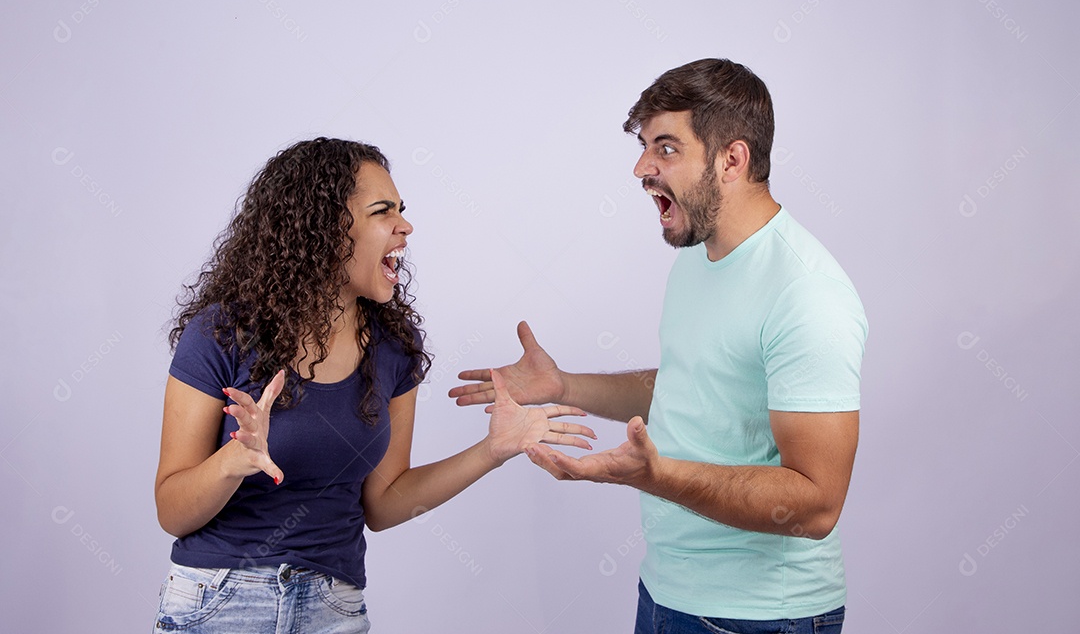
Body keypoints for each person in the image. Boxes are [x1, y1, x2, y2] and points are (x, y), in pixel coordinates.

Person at [450, 59, 868, 633]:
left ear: (732, 160)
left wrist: (655, 476)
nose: (642, 168)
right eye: (646, 147)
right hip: (666, 592)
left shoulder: (807, 293)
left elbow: (818, 503)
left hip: (760, 617)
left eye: (665, 149)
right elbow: (687, 386)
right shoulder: (699, 257)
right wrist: (566, 387)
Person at [152, 137, 595, 633]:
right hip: (221, 600)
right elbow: (172, 511)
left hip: (333, 608)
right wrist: (233, 462)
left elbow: (383, 503)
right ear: (324, 229)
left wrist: (493, 448)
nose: (405, 226)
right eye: (383, 212)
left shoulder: (394, 347)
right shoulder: (221, 333)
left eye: (402, 210)